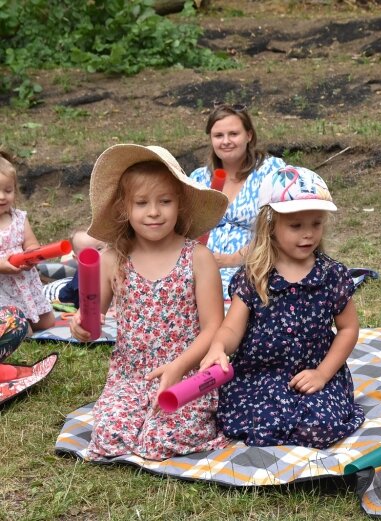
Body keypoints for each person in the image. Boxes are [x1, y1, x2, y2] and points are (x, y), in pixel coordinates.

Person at [69, 144, 230, 461]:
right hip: (131, 376)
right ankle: (130, 414)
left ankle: (175, 424)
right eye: (141, 203)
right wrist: (80, 327)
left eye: (165, 201)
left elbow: (214, 327)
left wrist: (179, 367)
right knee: (111, 435)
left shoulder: (198, 257)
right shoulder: (113, 258)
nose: (154, 211)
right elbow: (91, 317)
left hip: (187, 374)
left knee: (161, 440)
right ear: (124, 209)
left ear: (180, 205)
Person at [199, 166, 365, 449]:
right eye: (296, 225)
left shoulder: (331, 275)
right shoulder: (255, 275)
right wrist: (218, 348)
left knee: (319, 426)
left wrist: (324, 373)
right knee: (247, 419)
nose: (308, 234)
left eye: (316, 223)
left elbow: (348, 329)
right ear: (271, 225)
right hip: (261, 374)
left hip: (312, 372)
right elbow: (231, 328)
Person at [190, 103, 287, 299]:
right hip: (201, 265)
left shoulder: (270, 171)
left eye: (233, 134)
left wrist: (232, 260)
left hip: (253, 264)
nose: (226, 141)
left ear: (249, 135)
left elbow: (277, 227)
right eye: (218, 136)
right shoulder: (199, 178)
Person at [0, 151, 55, 332]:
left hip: (23, 279)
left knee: (47, 323)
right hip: (3, 286)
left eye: (8, 190)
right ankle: (15, 326)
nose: (2, 196)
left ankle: (27, 318)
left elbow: (31, 243)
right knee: (23, 330)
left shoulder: (19, 218)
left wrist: (32, 255)